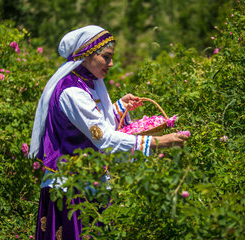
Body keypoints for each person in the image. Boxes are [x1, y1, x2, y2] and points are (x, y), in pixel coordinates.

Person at [28, 25, 188, 239]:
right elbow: (102, 137)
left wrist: (119, 107)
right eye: (106, 57)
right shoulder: (72, 92)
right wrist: (157, 142)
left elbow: (90, 123)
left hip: (88, 182)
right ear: (86, 55)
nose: (110, 64)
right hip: (69, 189)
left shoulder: (86, 83)